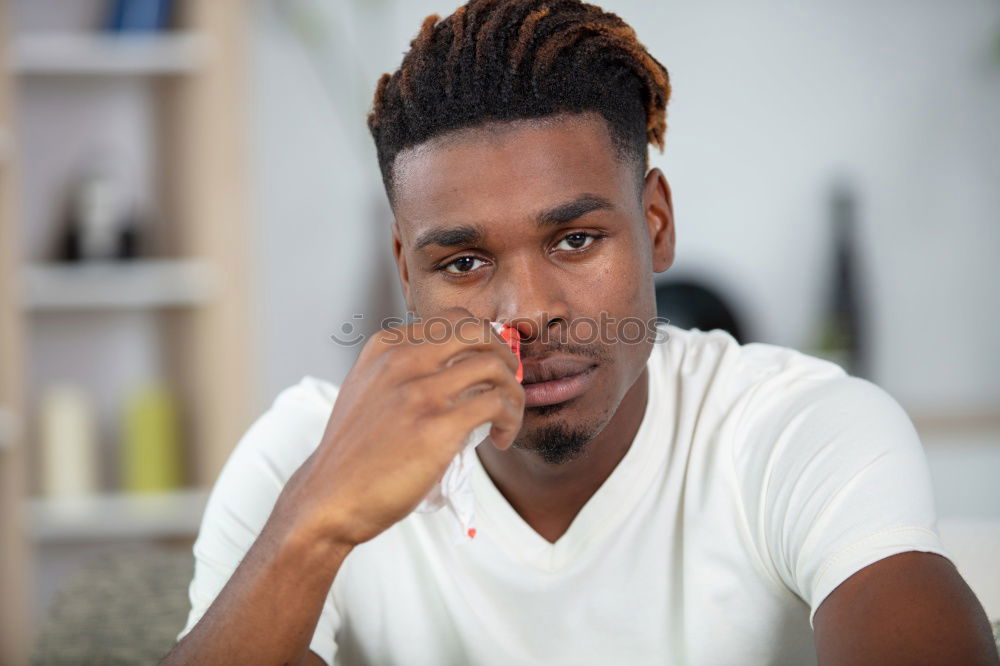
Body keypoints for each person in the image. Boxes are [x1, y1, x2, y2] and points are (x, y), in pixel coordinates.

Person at [165, 1, 999, 664]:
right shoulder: (301, 460)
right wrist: (315, 524)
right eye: (461, 261)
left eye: (574, 241)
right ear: (404, 270)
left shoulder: (796, 429)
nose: (525, 311)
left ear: (657, 222)